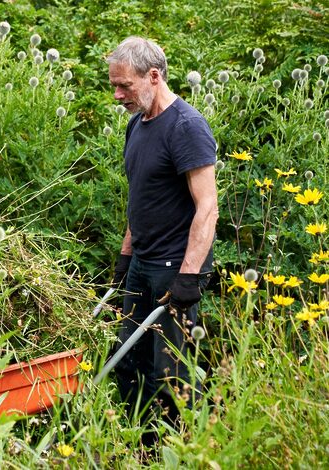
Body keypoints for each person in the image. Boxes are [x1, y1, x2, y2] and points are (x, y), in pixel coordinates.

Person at [106, 37, 218, 444]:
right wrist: (125, 256)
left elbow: (208, 207)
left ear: (154, 76)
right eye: (114, 85)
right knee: (126, 361)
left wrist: (189, 276)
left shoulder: (187, 127)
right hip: (142, 264)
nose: (118, 95)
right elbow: (142, 197)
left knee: (169, 371)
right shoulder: (136, 125)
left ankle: (176, 449)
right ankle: (137, 441)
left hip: (175, 268)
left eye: (125, 86)